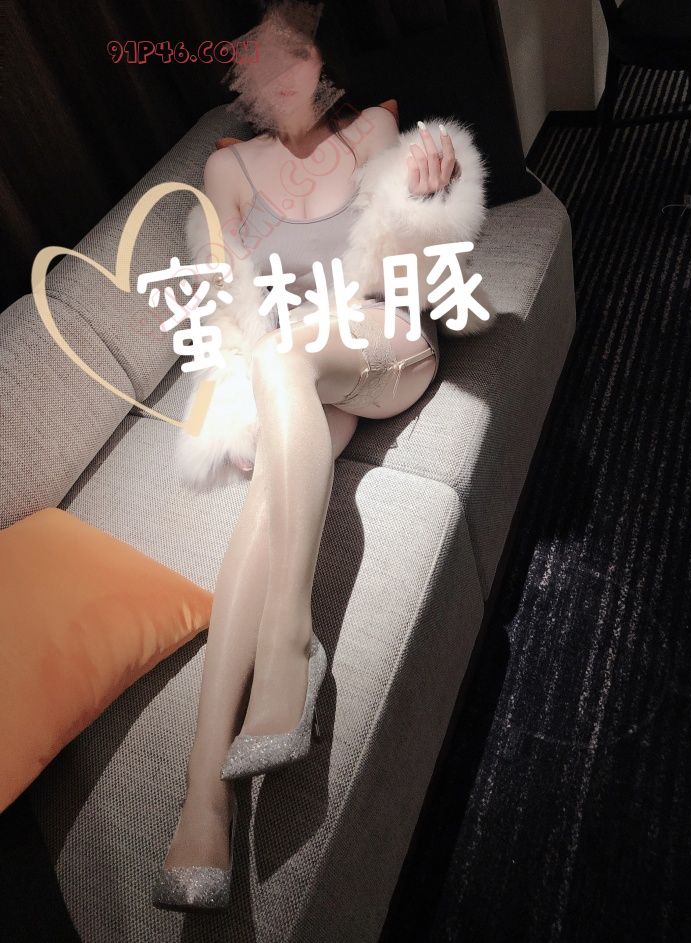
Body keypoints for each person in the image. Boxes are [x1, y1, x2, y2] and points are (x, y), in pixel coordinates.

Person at [153, 0, 492, 912]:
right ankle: (201, 802)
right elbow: (226, 310)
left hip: (383, 351)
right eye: (258, 59)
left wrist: (434, 177)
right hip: (296, 384)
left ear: (323, 57)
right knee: (267, 504)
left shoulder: (373, 130)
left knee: (289, 353)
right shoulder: (227, 171)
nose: (278, 74)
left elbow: (429, 248)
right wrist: (240, 403)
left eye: (294, 53)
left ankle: (292, 641)